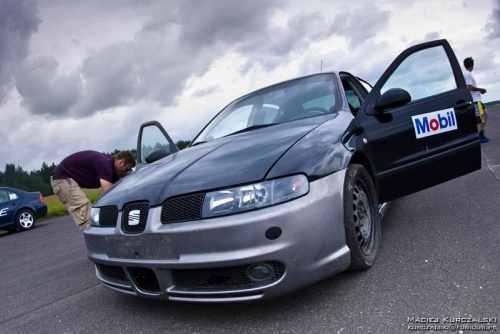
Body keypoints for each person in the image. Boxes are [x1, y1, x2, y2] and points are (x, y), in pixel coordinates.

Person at [50, 150, 136, 230]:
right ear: (121, 162)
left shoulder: (109, 165)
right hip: (62, 180)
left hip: (67, 179)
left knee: (93, 218)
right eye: (126, 169)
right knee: (89, 219)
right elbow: (109, 194)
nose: (125, 173)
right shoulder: (104, 163)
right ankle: (99, 243)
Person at [463, 57, 489, 143]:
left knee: (485, 115)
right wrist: (480, 89)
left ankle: (481, 134)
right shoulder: (468, 74)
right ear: (471, 65)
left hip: (478, 99)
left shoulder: (467, 74)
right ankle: (479, 136)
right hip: (476, 100)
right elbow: (470, 87)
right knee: (481, 119)